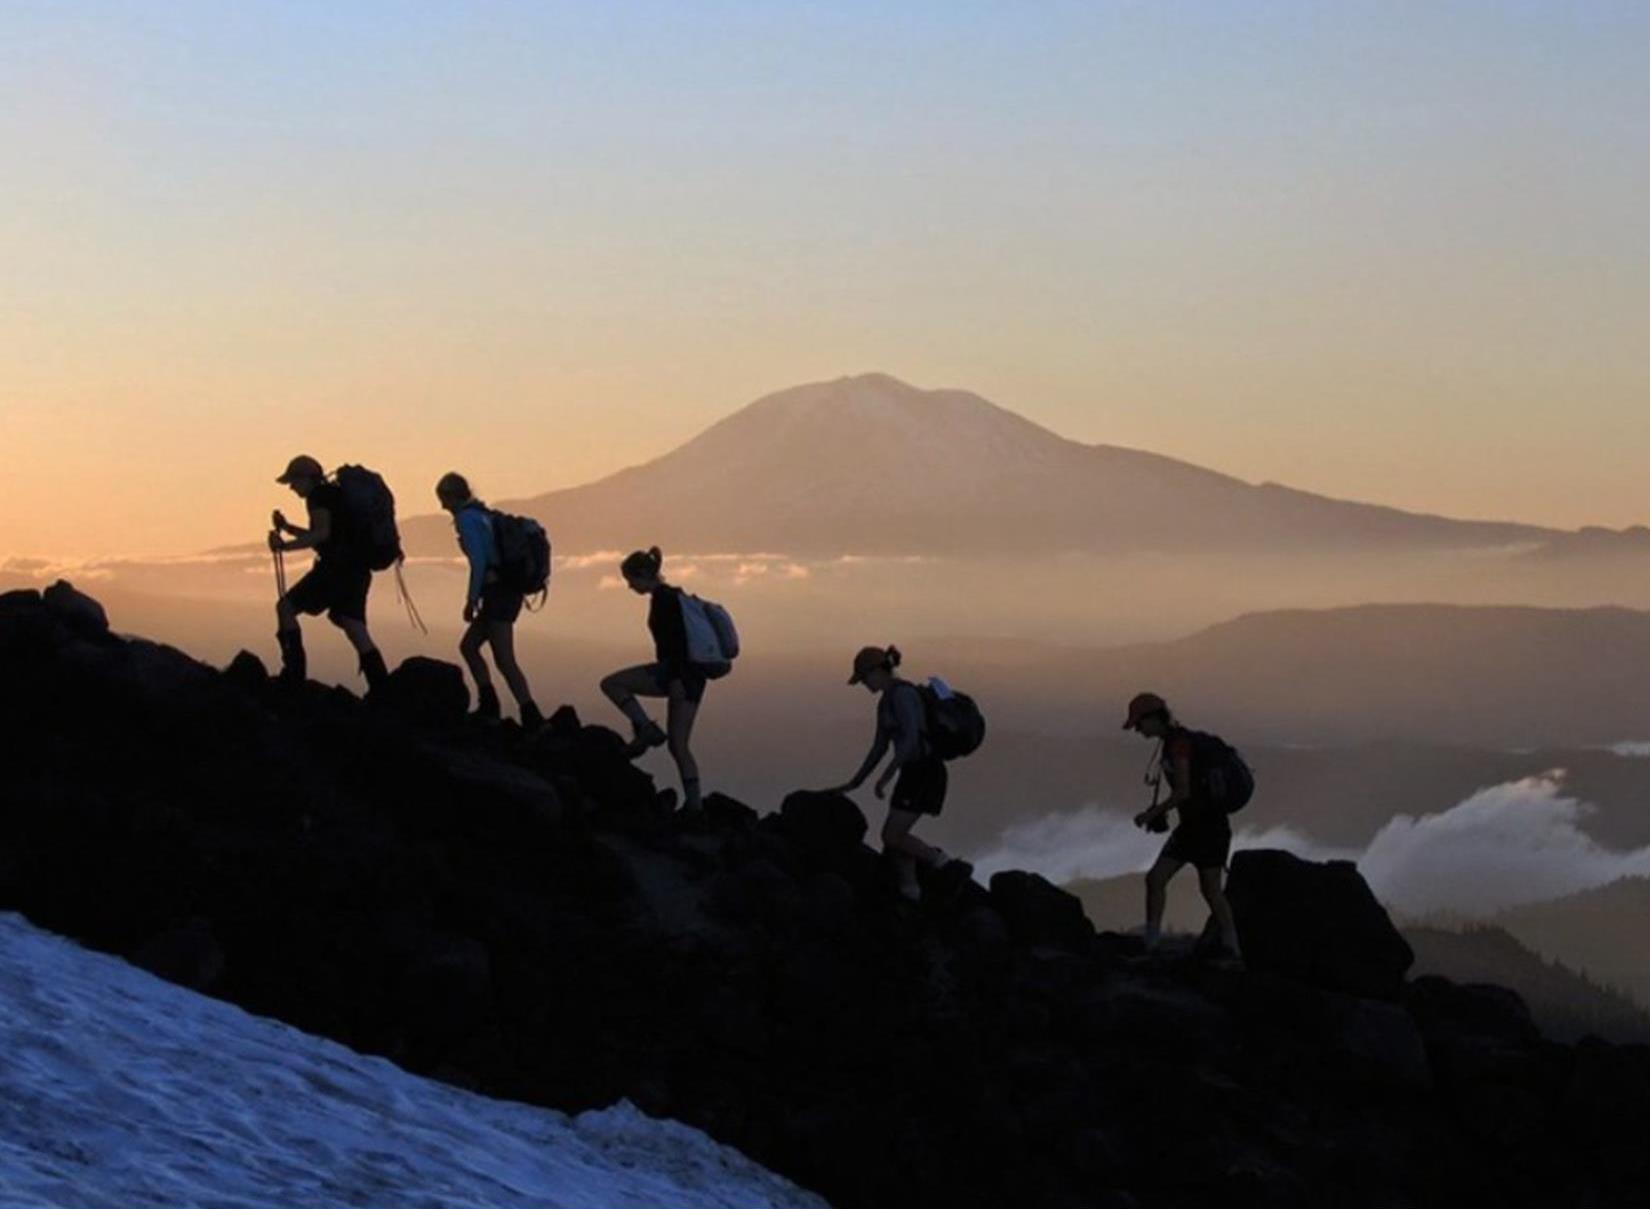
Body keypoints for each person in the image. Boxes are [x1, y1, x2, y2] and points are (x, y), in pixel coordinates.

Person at [829, 645, 962, 902]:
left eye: (865, 678)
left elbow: (911, 738)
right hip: (912, 773)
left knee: (893, 835)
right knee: (895, 839)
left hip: (924, 772)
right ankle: (910, 893)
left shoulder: (903, 696)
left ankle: (945, 865)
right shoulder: (886, 702)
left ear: (878, 671)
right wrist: (854, 783)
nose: (864, 684)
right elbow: (878, 747)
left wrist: (886, 777)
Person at [1124, 692, 1242, 966]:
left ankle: (1231, 948)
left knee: (1206, 889)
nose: (1138, 730)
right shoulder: (1174, 743)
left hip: (1206, 827)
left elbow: (1183, 791)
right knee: (1165, 881)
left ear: (1153, 718)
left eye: (1139, 724)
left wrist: (1151, 814)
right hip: (1197, 827)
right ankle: (1228, 947)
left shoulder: (1179, 746)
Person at [599, 547, 708, 813]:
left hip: (675, 674)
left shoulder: (663, 601)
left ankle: (645, 728)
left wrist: (675, 680)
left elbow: (677, 645)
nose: (630, 586)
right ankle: (695, 806)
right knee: (679, 745)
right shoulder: (676, 596)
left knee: (612, 684)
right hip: (693, 677)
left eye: (631, 580)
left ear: (643, 575)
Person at [269, 455, 389, 695]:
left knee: (285, 607)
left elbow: (322, 535)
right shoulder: (334, 495)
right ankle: (382, 688)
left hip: (335, 570)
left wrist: (284, 547)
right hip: (356, 570)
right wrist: (289, 529)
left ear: (306, 479)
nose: (292, 487)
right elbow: (330, 536)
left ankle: (294, 676)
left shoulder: (318, 497)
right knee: (352, 624)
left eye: (293, 481)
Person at [435, 472, 543, 729]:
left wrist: (471, 600)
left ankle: (530, 716)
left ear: (451, 497)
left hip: (498, 594)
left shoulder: (466, 519)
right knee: (470, 647)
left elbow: (479, 562)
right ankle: (492, 705)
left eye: (443, 499)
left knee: (504, 659)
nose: (442, 506)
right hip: (506, 592)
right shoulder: (483, 514)